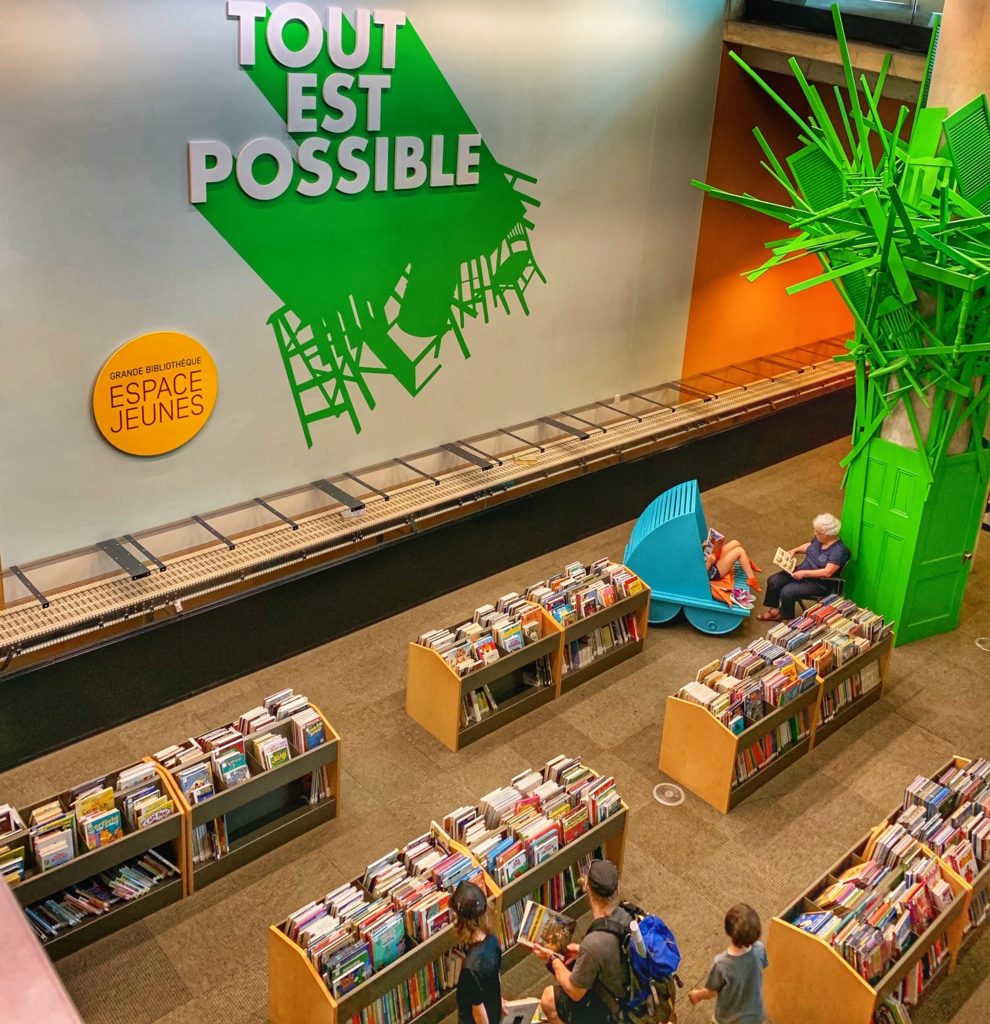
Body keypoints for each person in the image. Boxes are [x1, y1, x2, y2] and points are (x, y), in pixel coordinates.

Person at [533, 860, 630, 1024]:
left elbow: (574, 992)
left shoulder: (594, 943)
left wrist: (553, 959)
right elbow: (616, 947)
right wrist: (581, 951)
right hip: (631, 990)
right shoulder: (627, 913)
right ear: (617, 888)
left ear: (587, 888)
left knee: (548, 998)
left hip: (615, 1010)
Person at [757, 512, 850, 622]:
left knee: (787, 591)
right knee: (774, 580)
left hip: (819, 582)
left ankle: (788, 619)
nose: (815, 533)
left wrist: (804, 573)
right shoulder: (820, 538)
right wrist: (795, 550)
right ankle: (774, 612)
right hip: (802, 571)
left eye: (818, 532)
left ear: (828, 534)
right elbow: (809, 546)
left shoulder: (839, 551)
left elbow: (827, 572)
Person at [688, 904, 768, 1024]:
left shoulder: (721, 964)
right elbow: (763, 966)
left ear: (727, 931)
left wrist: (697, 995)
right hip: (755, 1015)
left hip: (729, 1019)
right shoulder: (760, 949)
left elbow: (710, 992)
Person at [452, 880, 504, 1024]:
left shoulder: (470, 968)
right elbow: (495, 978)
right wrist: (499, 1002)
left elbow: (479, 1014)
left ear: (459, 920)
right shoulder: (493, 941)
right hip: (493, 1010)